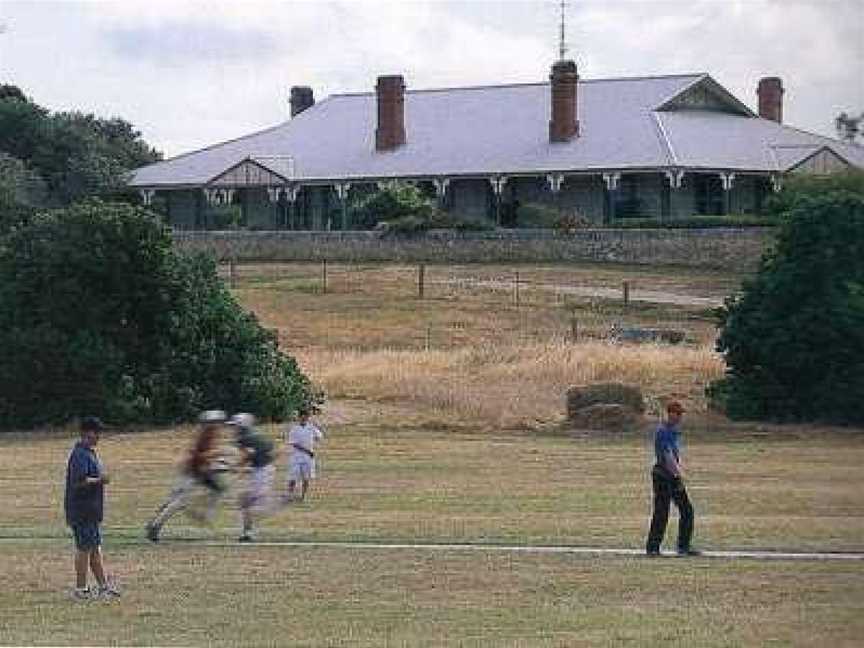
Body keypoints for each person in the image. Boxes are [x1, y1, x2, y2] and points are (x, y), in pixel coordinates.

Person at [145, 410, 229, 543]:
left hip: (199, 473)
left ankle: (204, 515)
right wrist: (216, 460)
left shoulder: (211, 436)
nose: (220, 426)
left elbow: (204, 458)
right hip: (191, 473)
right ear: (211, 424)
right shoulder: (204, 437)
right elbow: (198, 457)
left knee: (218, 489)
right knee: (179, 502)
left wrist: (216, 463)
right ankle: (155, 526)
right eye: (217, 423)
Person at [64, 416, 120, 600]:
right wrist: (100, 480)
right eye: (97, 432)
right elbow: (79, 481)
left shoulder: (90, 452)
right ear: (86, 433)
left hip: (91, 510)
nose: (99, 436)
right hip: (82, 510)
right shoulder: (79, 454)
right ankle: (81, 589)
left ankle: (103, 587)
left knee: (95, 549)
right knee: (84, 549)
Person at [645, 401, 700, 557]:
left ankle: (683, 546)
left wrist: (677, 472)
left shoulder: (674, 430)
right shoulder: (663, 431)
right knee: (662, 512)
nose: (680, 417)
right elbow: (667, 455)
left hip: (671, 474)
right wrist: (678, 474)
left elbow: (674, 454)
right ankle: (653, 548)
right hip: (663, 474)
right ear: (669, 413)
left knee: (686, 510)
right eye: (677, 414)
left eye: (681, 414)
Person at [228, 413, 275, 542]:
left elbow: (248, 455)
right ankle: (248, 531)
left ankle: (249, 533)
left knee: (247, 502)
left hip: (261, 472)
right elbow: (270, 450)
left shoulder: (244, 438)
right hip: (263, 470)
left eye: (236, 426)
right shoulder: (256, 435)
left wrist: (235, 466)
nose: (234, 429)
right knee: (245, 501)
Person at [284, 407, 324, 503]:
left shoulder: (311, 427)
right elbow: (294, 443)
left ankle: (303, 496)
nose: (304, 418)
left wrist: (316, 429)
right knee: (293, 476)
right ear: (299, 417)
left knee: (306, 477)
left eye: (306, 416)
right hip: (296, 456)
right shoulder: (294, 429)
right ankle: (290, 495)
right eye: (302, 416)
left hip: (308, 457)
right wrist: (307, 450)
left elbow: (319, 437)